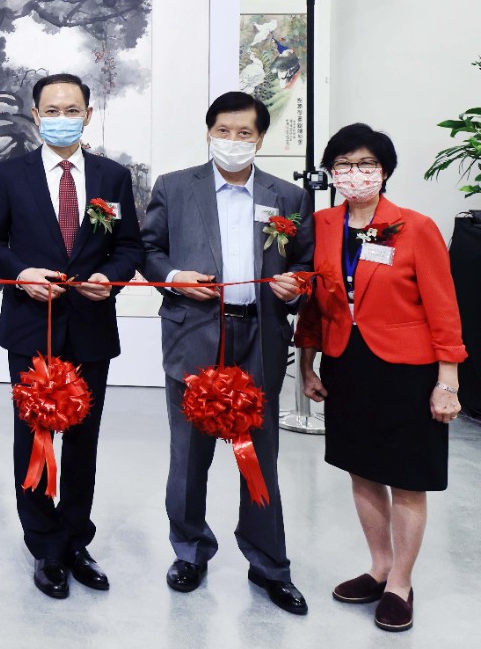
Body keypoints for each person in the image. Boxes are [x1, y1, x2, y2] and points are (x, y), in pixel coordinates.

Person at [0, 73, 144, 600]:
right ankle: (44, 545)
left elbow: (129, 246)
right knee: (34, 437)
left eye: (72, 110)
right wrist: (21, 273)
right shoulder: (10, 175)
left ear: (88, 116)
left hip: (91, 325)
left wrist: (110, 278)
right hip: (31, 325)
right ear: (35, 116)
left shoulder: (113, 177)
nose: (62, 118)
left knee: (83, 440)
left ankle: (75, 540)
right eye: (52, 110)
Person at [141, 91, 311, 614]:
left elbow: (304, 264)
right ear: (208, 133)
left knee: (260, 455)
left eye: (244, 134)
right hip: (195, 333)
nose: (233, 141)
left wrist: (295, 288)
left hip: (260, 335)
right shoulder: (174, 187)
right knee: (188, 456)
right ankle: (190, 551)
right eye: (223, 131)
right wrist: (173, 276)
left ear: (260, 139)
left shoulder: (288, 196)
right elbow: (148, 249)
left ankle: (269, 564)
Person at [297, 123, 466, 633]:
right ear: (331, 173)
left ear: (385, 171)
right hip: (346, 364)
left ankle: (401, 584)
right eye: (344, 165)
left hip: (407, 371)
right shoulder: (323, 224)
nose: (356, 174)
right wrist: (306, 364)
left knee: (407, 478)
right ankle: (379, 567)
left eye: (366, 164)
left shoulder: (415, 227)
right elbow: (316, 300)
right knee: (362, 470)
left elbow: (444, 308)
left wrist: (448, 381)